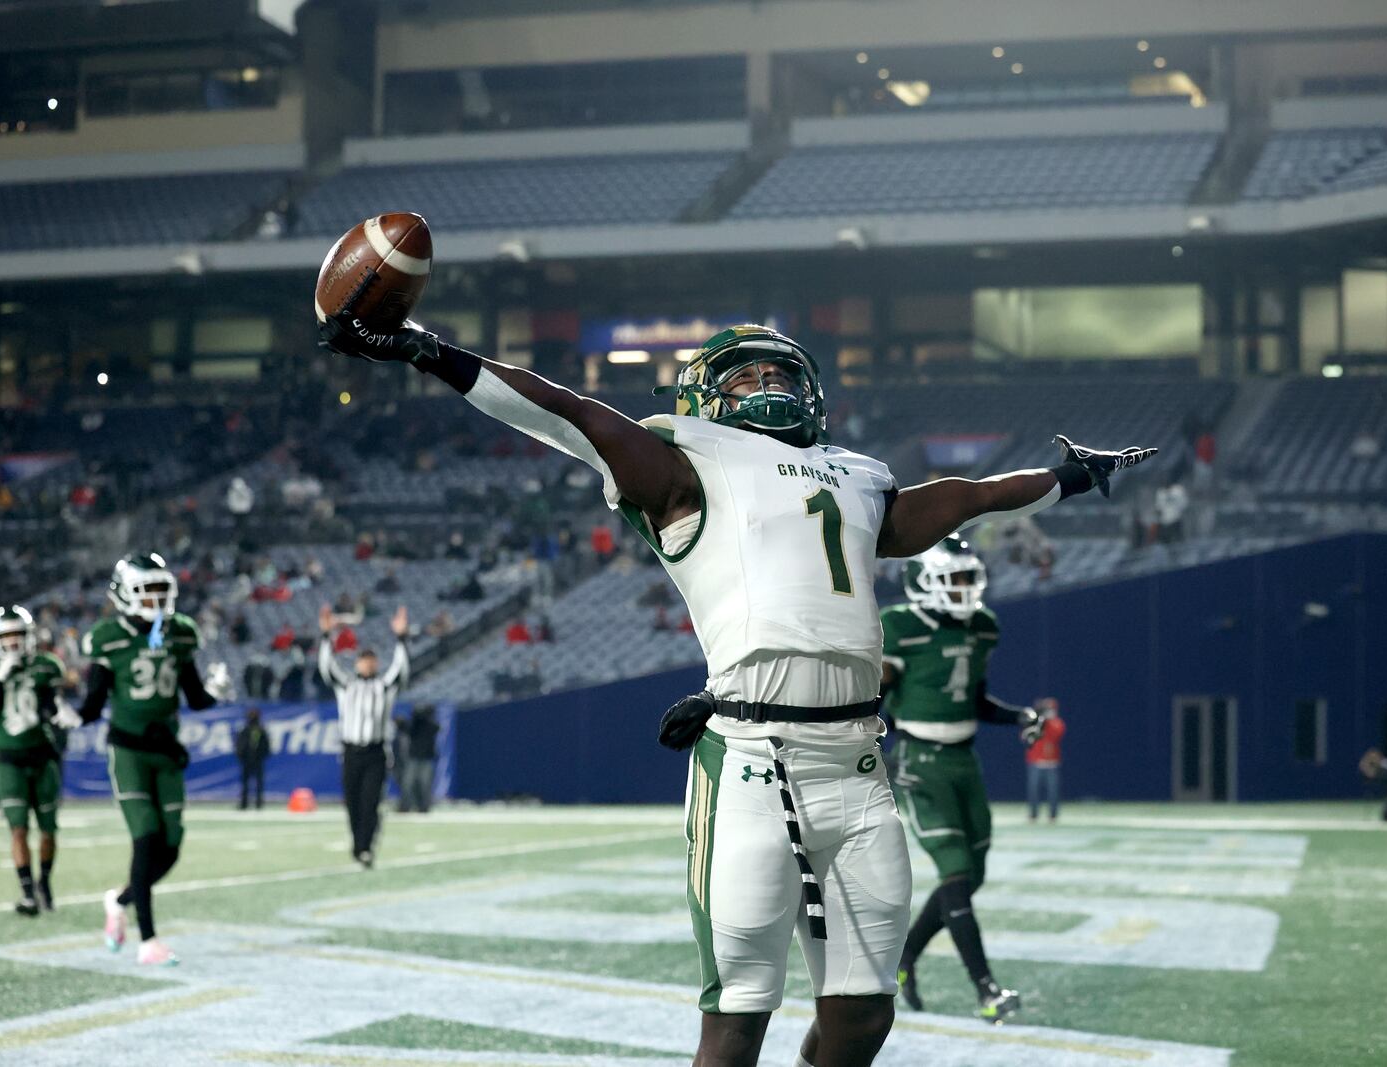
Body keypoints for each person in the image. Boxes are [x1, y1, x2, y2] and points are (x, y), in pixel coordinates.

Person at [320, 314, 1154, 1067]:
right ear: (702, 401)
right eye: (745, 379)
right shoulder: (686, 465)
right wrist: (432, 351)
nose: (768, 388)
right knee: (737, 1020)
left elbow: (959, 501)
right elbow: (569, 413)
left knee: (862, 1016)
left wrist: (1065, 478)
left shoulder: (859, 476)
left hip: (859, 765)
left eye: (781, 376)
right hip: (754, 763)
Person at [881, 539, 1043, 1023]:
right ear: (926, 583)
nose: (966, 588)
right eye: (955, 579)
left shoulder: (983, 628)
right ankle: (986, 990)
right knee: (954, 873)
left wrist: (1019, 717)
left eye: (970, 578)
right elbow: (873, 695)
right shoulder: (901, 627)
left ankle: (903, 958)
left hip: (963, 761)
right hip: (918, 762)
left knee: (971, 876)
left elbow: (974, 699)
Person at [78, 552, 229, 966]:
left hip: (166, 751)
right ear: (125, 593)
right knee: (145, 836)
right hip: (129, 750)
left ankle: (119, 900)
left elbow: (195, 699)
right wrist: (71, 714)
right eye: (148, 590)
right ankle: (148, 941)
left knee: (172, 846)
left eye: (162, 589)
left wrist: (216, 691)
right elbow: (93, 703)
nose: (157, 599)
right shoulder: (109, 637)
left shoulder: (179, 634)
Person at [0, 606, 78, 917]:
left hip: (42, 755)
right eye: (7, 635)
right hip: (8, 758)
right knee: (18, 829)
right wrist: (2, 675)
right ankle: (28, 892)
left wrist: (59, 712)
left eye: (18, 634)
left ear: (29, 635)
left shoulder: (45, 665)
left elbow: (49, 704)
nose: (13, 641)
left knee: (48, 830)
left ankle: (44, 881)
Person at [318, 603, 409, 868]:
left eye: (372, 660)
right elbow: (327, 667)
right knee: (352, 803)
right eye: (364, 659)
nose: (368, 664)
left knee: (370, 802)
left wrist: (401, 638)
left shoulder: (384, 687)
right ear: (357, 662)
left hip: (375, 753)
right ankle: (359, 845)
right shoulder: (347, 686)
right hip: (351, 751)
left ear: (376, 663)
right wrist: (326, 636)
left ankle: (366, 847)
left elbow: (401, 670)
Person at [1026, 699, 1066, 822]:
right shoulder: (1035, 723)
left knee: (1053, 790)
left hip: (1051, 763)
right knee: (1033, 789)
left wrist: (1047, 721)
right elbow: (1028, 735)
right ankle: (1033, 814)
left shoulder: (1058, 723)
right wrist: (1037, 718)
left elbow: (1056, 734)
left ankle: (1053, 814)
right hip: (1036, 762)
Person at [397, 704, 440, 814]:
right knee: (408, 784)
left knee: (424, 785)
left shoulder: (431, 725)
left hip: (425, 758)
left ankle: (423, 807)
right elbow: (406, 728)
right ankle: (405, 806)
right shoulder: (414, 725)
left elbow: (435, 728)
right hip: (414, 758)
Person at [234, 707, 271, 810]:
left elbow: (266, 745)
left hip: (257, 760)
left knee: (258, 783)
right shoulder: (245, 730)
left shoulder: (261, 731)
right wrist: (241, 756)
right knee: (246, 783)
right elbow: (240, 745)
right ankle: (244, 803)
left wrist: (261, 756)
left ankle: (258, 803)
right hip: (247, 760)